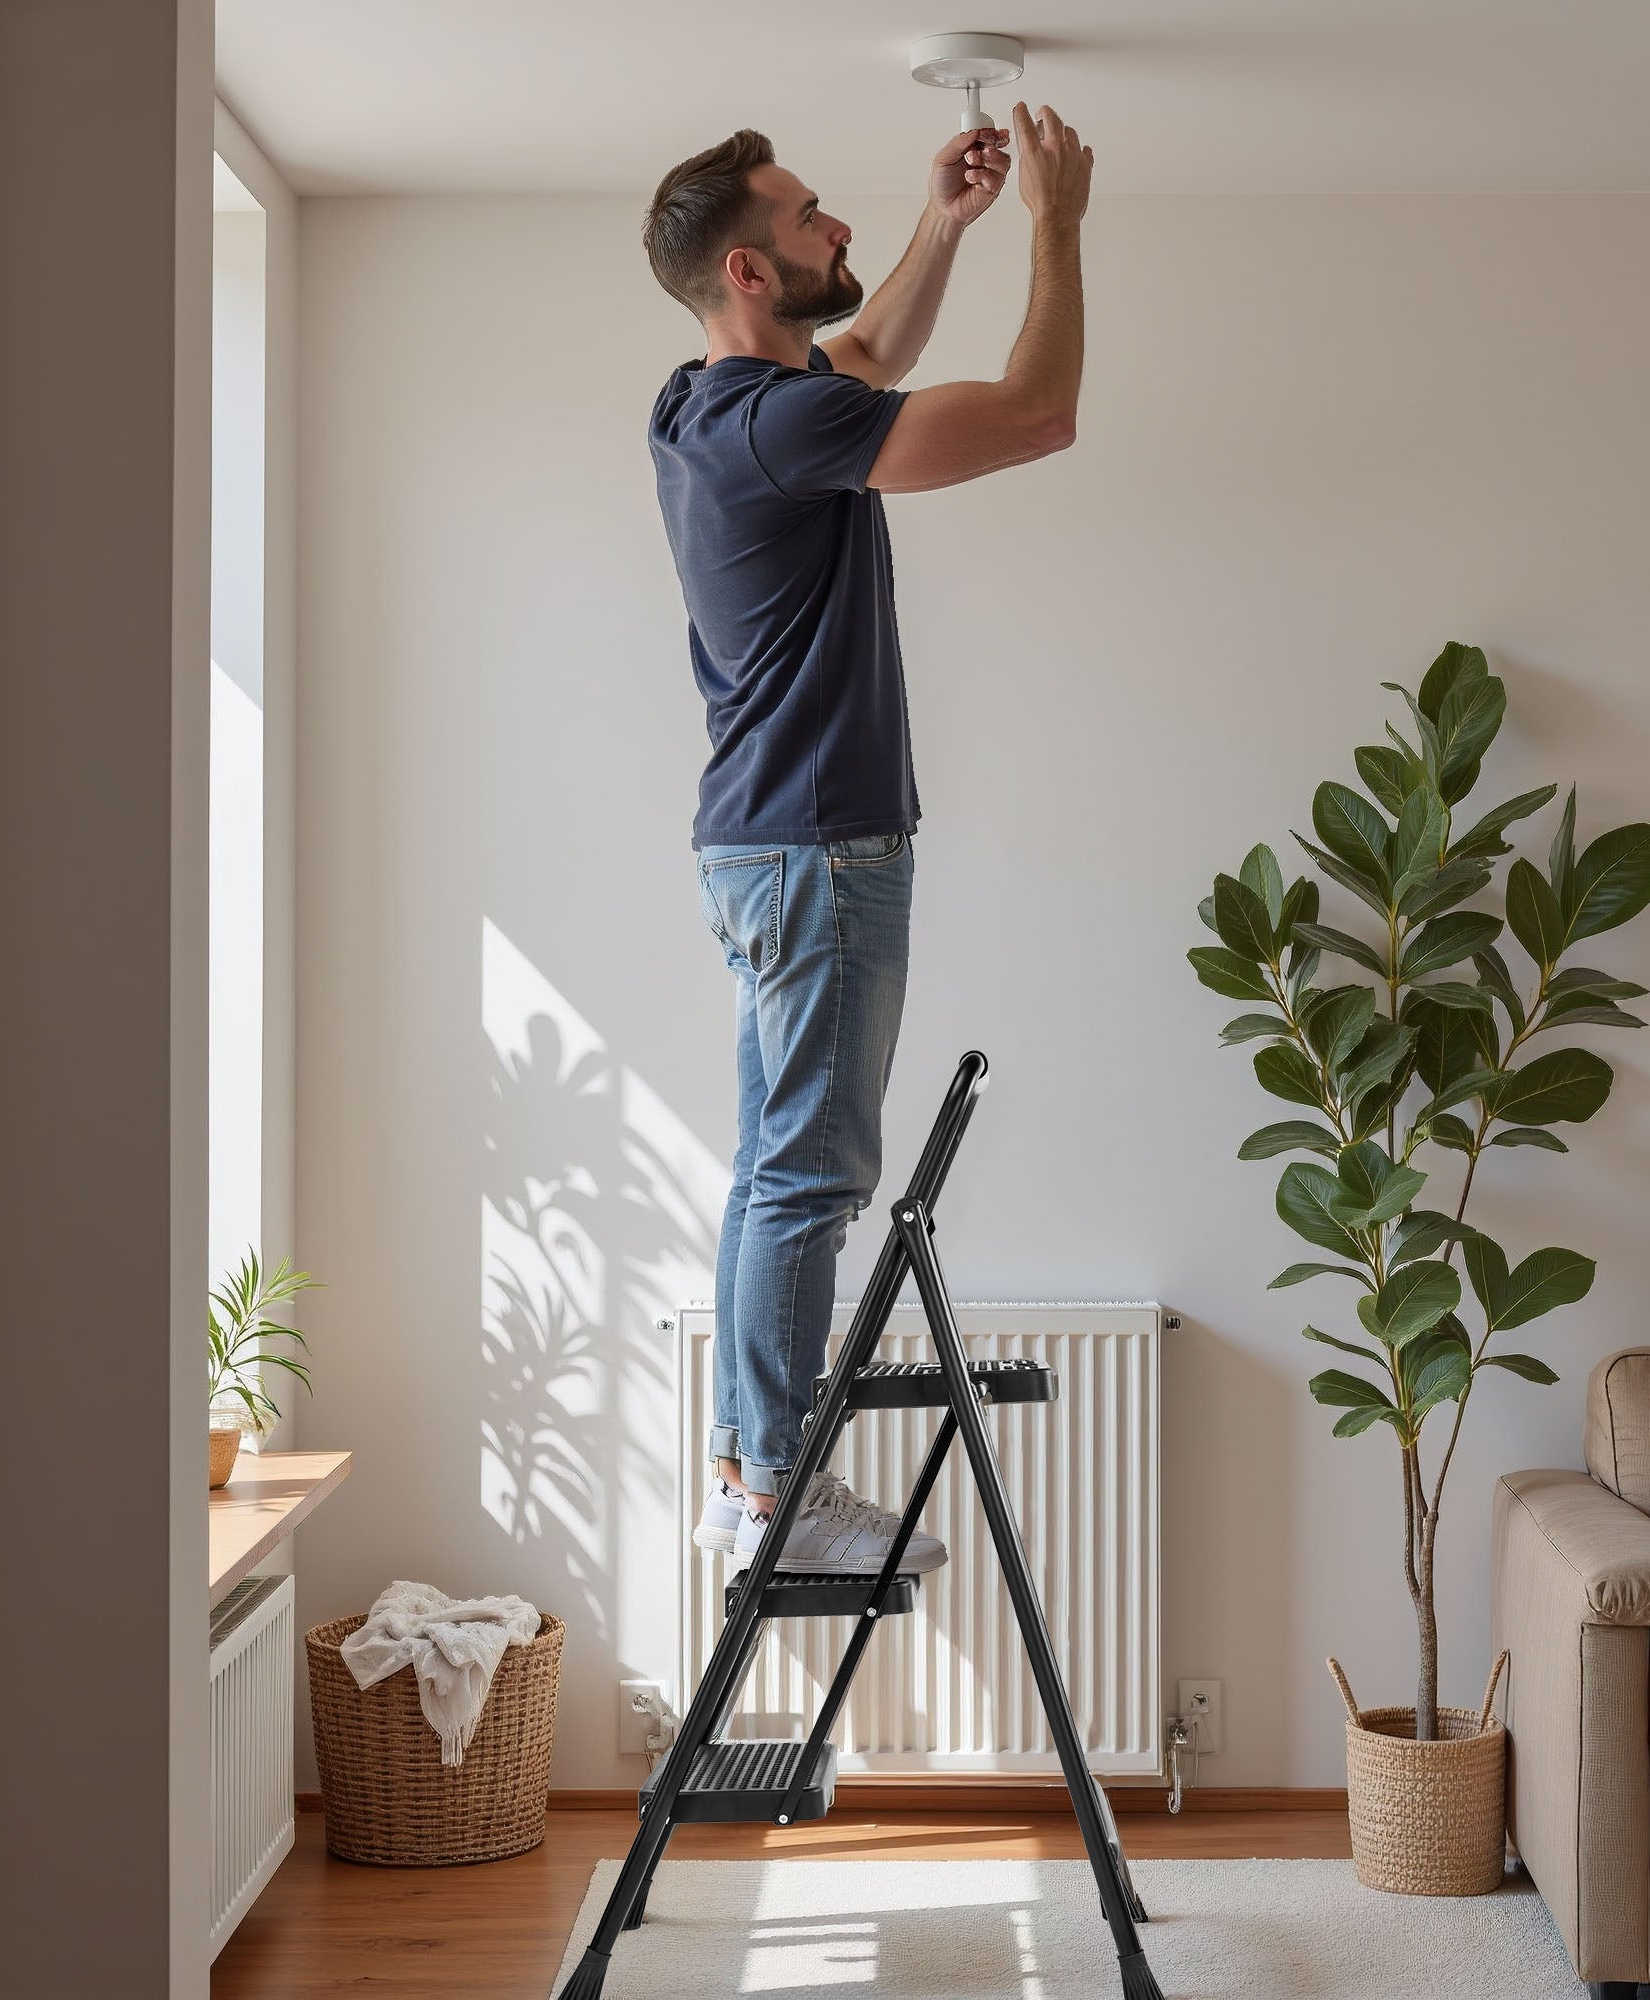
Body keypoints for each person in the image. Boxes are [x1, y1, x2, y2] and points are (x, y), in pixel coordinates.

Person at [644, 102, 1091, 1576]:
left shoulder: (706, 407)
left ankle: (743, 1474)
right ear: (751, 276)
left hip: (764, 845)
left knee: (773, 1169)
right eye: (810, 217)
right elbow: (1036, 413)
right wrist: (1053, 224)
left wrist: (944, 225)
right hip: (821, 850)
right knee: (807, 1177)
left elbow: (875, 356)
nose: (837, 228)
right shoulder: (783, 426)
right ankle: (770, 1495)